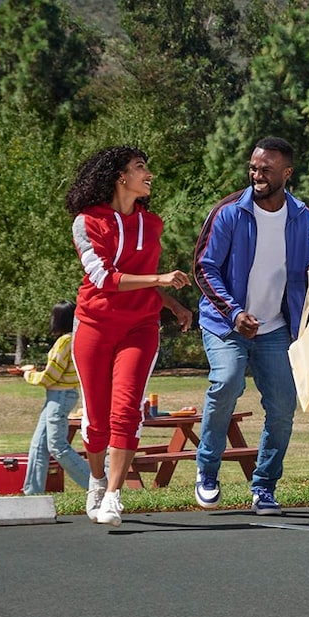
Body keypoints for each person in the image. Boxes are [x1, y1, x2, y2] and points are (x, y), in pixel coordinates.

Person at [192, 136, 309, 516]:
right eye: (253, 168)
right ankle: (207, 471)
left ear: (286, 173)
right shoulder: (229, 213)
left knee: (284, 407)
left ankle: (264, 486)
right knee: (227, 381)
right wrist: (235, 313)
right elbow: (204, 267)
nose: (257, 175)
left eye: (266, 169)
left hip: (275, 328)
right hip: (225, 324)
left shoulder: (302, 216)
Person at [65, 145, 192, 526]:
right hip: (94, 325)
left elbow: (142, 281)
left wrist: (169, 302)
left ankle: (114, 496)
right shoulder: (87, 222)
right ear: (121, 177)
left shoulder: (152, 224)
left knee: (127, 412)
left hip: (140, 326)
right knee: (96, 420)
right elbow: (103, 278)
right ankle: (97, 480)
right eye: (141, 167)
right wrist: (161, 279)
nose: (148, 173)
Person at [20, 301, 88, 496]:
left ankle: (97, 486)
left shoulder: (65, 342)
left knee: (57, 446)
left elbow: (50, 377)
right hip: (62, 395)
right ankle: (32, 493)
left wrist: (28, 374)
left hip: (59, 395)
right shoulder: (78, 338)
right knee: (38, 445)